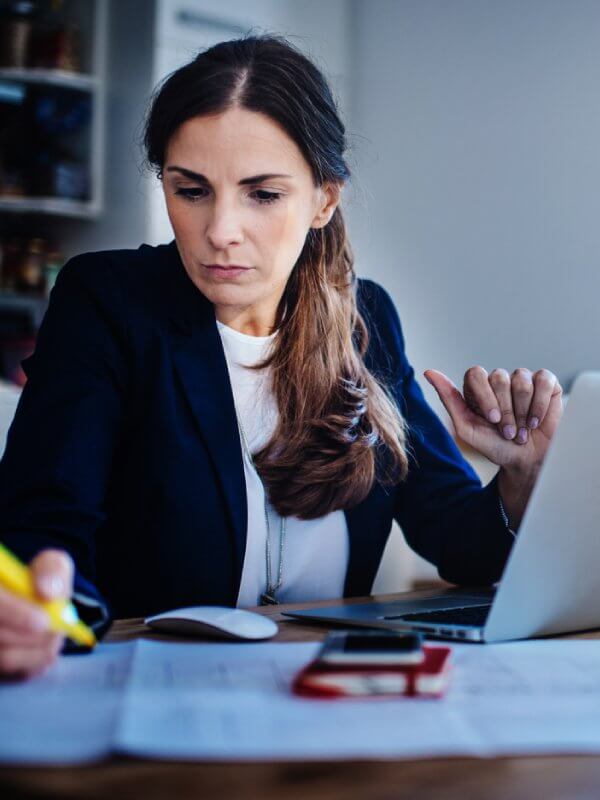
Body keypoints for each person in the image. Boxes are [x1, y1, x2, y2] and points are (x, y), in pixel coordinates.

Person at [0, 34, 562, 680]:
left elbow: (459, 542)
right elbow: (44, 526)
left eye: (262, 194)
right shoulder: (109, 302)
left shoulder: (365, 320)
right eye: (192, 190)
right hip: (150, 689)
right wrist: (42, 607)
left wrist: (521, 483)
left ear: (324, 199)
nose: (221, 231)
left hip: (322, 696)